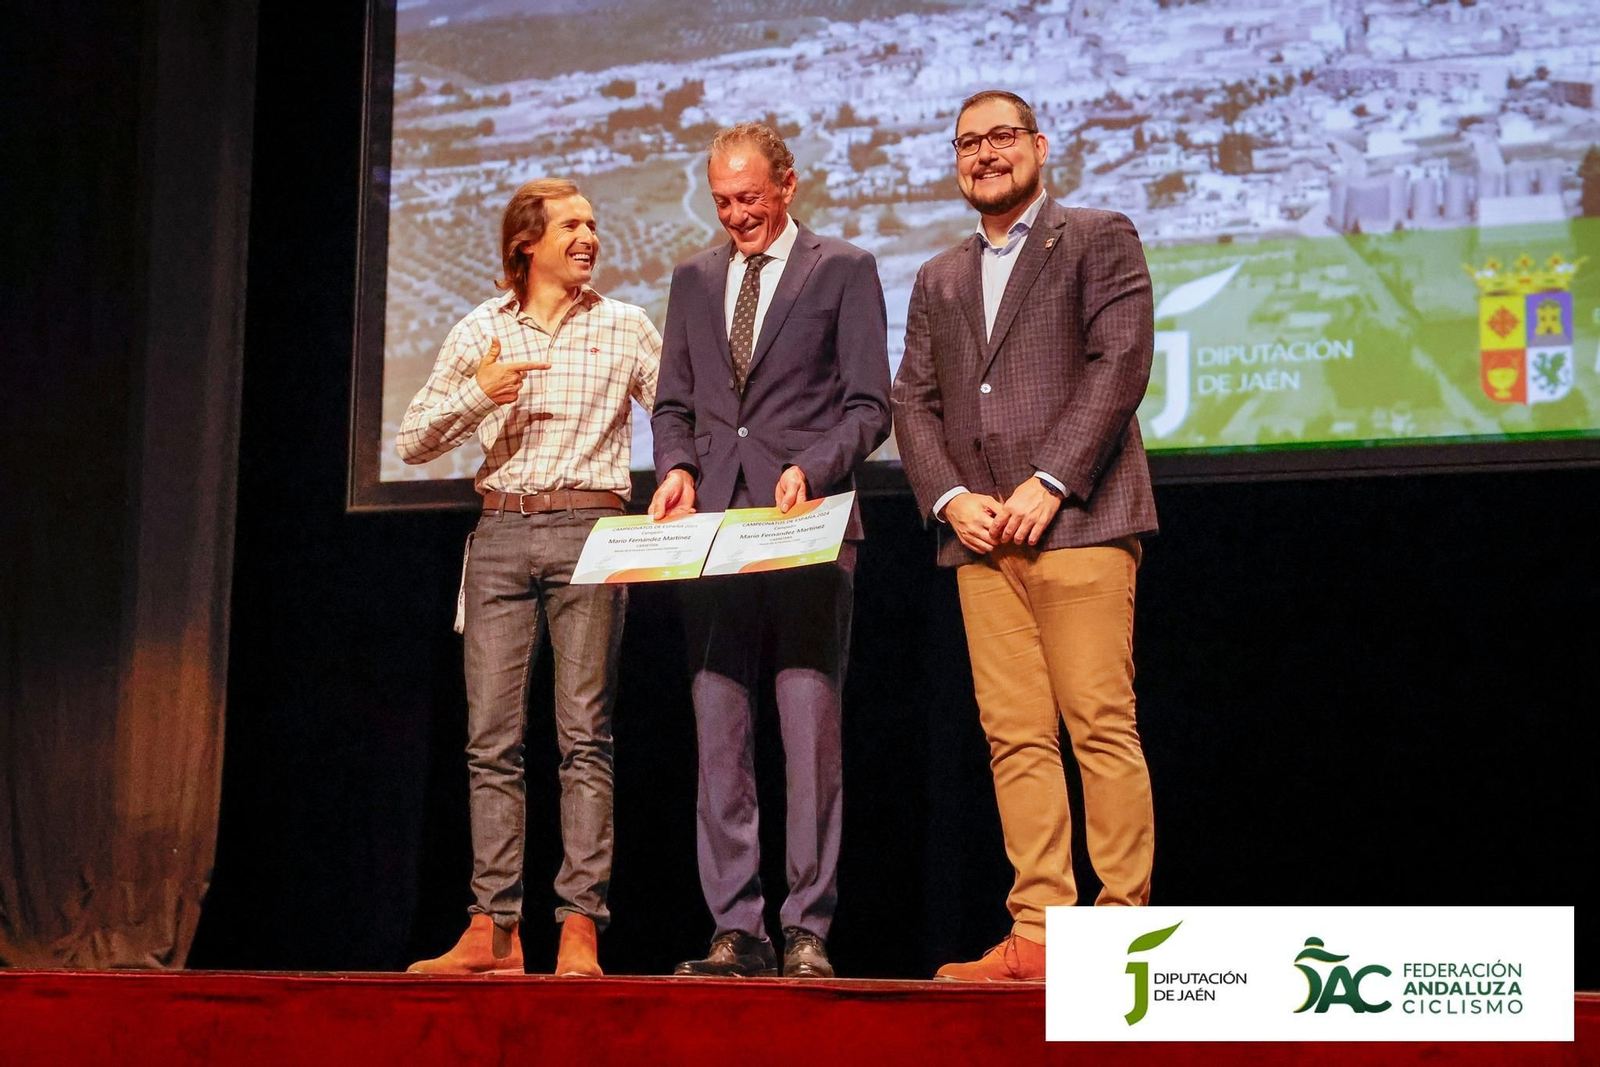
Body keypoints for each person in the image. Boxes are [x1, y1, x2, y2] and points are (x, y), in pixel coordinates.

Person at [891, 91, 1159, 982]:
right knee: (1014, 736)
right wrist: (949, 498)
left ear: (1040, 146)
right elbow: (912, 404)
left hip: (1080, 522)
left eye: (1002, 137)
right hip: (979, 542)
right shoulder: (938, 276)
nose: (985, 154)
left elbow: (1118, 361)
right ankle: (1040, 933)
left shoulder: (1097, 235)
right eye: (968, 142)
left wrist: (1050, 481)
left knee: (1099, 727)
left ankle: (1120, 941)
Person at [397, 178, 660, 977]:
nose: (589, 237)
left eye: (594, 224)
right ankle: (494, 930)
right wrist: (482, 389)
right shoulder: (481, 329)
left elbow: (682, 418)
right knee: (492, 740)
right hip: (502, 531)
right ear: (528, 244)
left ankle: (579, 927)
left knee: (585, 736)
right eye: (572, 225)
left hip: (593, 529)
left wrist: (683, 476)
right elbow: (412, 438)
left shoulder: (625, 326)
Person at [648, 122, 890, 979]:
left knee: (808, 726)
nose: (735, 215)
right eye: (721, 201)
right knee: (719, 730)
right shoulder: (691, 278)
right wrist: (677, 468)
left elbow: (869, 406)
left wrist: (811, 466)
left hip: (807, 525)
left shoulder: (845, 269)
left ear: (788, 185)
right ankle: (737, 929)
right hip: (714, 530)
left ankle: (808, 927)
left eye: (749, 198)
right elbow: (674, 404)